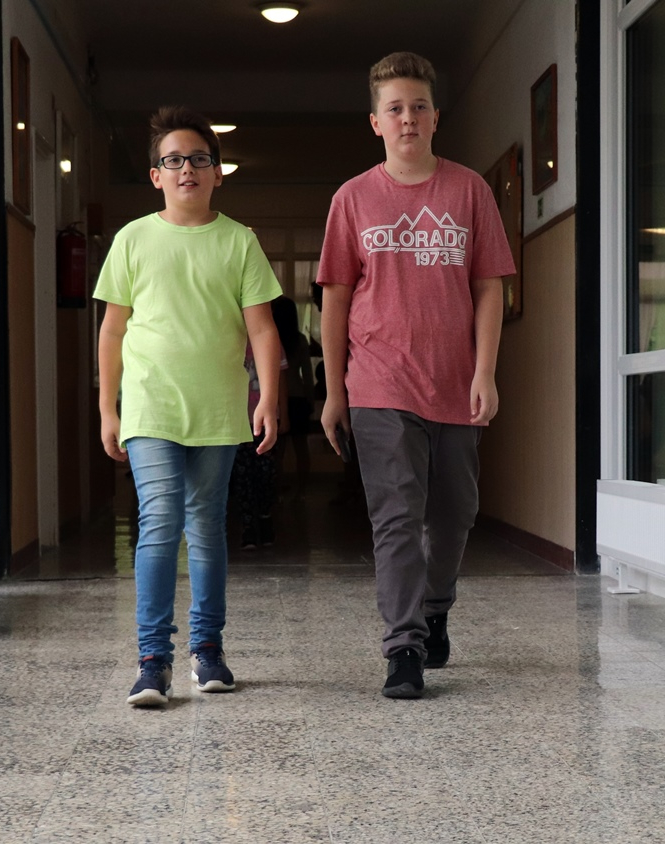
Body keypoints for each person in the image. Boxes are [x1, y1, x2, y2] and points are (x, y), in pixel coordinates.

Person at [316, 52, 515, 699]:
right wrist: (334, 392)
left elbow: (489, 287)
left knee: (455, 513)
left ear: (435, 117)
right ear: (376, 121)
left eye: (419, 107)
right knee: (397, 516)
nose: (408, 118)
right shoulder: (352, 198)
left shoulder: (469, 190)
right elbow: (336, 298)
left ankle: (435, 607)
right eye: (395, 108)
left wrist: (485, 371)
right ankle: (403, 645)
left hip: (455, 381)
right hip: (380, 383)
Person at [95, 105, 283, 707]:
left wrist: (269, 396)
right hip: (149, 406)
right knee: (159, 522)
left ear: (217, 173)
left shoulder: (239, 241)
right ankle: (153, 660)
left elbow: (263, 329)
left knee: (206, 527)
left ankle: (208, 651)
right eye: (173, 160)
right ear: (156, 175)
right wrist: (107, 408)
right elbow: (111, 330)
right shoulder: (132, 239)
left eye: (199, 159)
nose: (187, 170)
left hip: (218, 409)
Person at [231, 340, 287, 549]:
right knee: (242, 475)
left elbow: (281, 379)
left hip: (265, 420)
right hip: (237, 420)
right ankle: (248, 527)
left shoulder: (271, 341)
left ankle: (265, 517)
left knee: (266, 472)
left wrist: (283, 414)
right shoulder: (231, 338)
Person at [272, 296, 314, 498]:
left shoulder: (271, 340)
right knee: (301, 448)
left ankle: (277, 491)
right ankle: (302, 490)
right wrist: (310, 400)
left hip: (277, 400)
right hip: (298, 398)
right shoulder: (299, 340)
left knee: (277, 451)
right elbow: (308, 375)